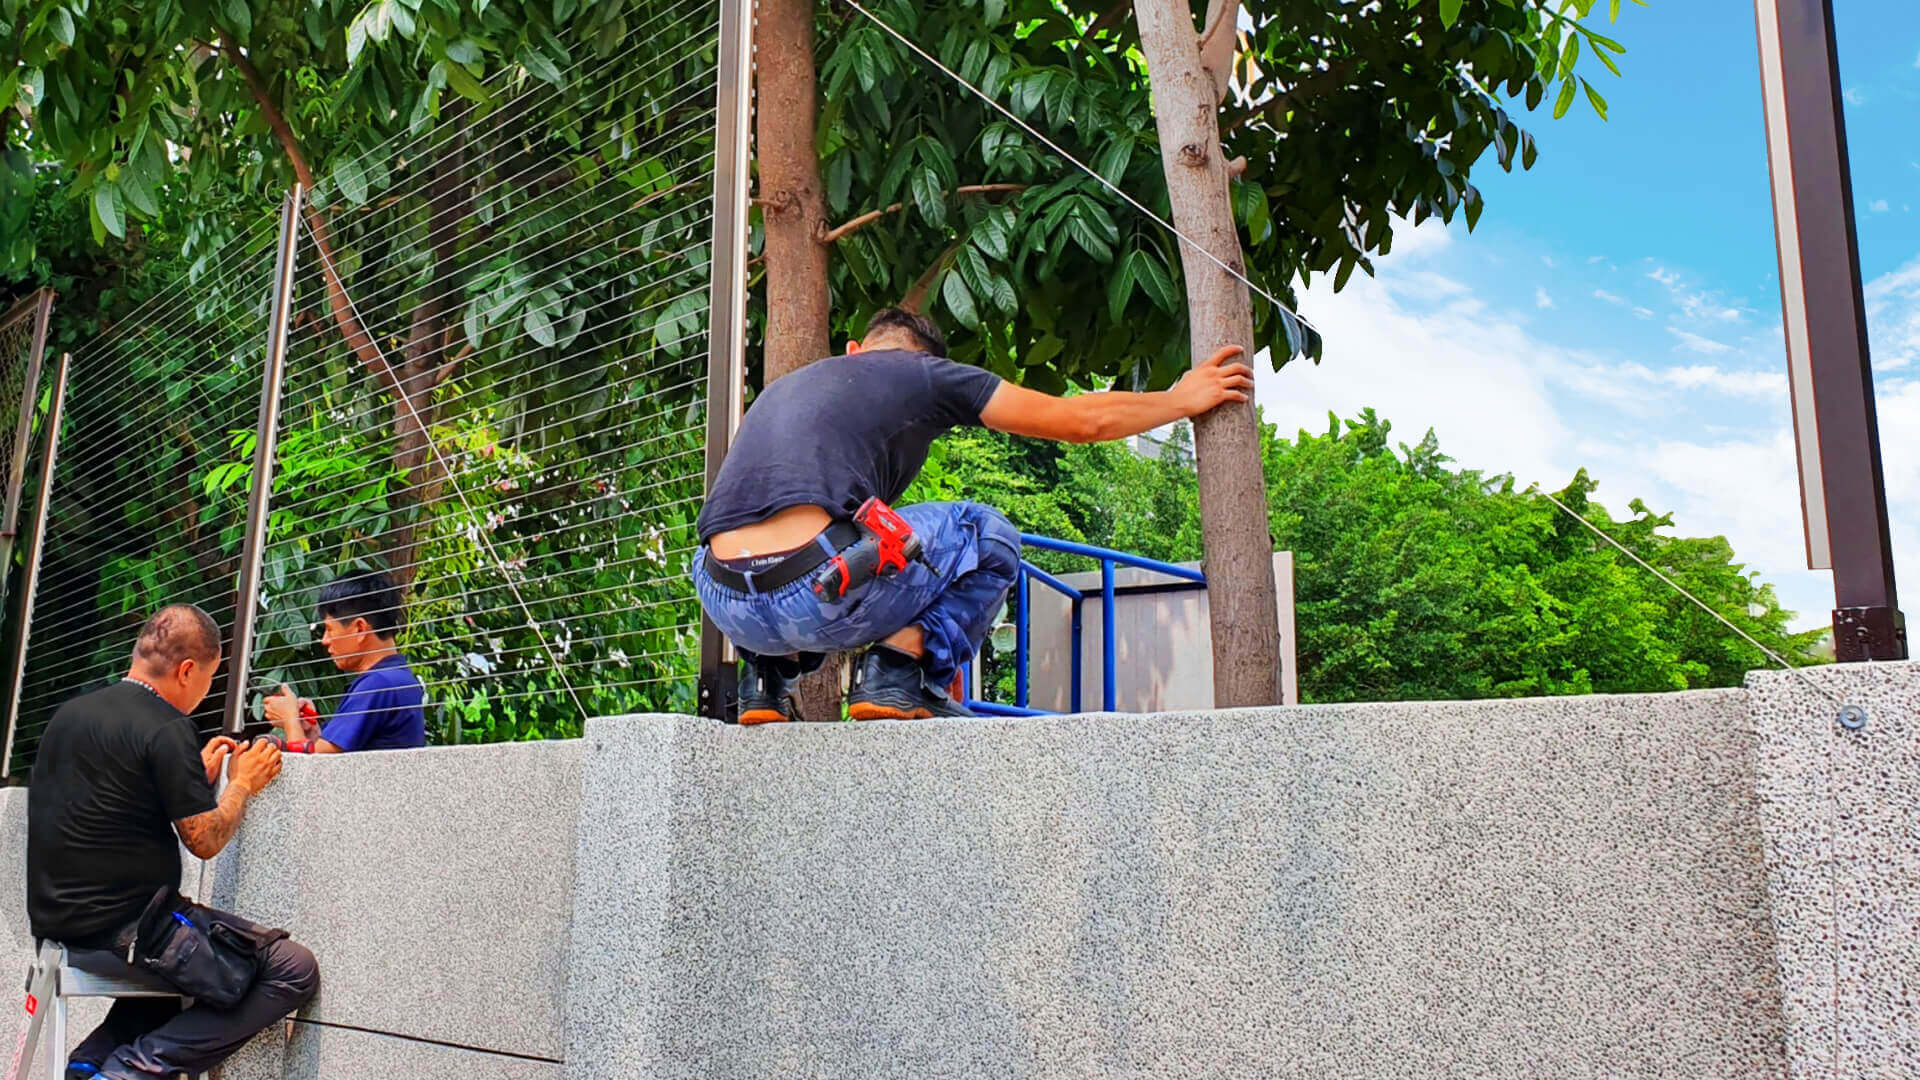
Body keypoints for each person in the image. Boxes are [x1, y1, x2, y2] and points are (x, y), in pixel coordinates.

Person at [692, 307, 1253, 722]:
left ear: (855, 349)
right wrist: (1181, 399)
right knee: (988, 534)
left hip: (722, 602)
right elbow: (1082, 421)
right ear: (922, 362)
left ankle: (764, 679)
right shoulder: (924, 375)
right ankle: (895, 668)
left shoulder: (788, 387)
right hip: (814, 588)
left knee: (824, 535)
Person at [26, 604, 319, 1080]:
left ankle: (88, 1064)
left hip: (58, 929)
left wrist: (186, 779)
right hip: (131, 932)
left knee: (193, 968)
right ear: (187, 671)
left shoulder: (70, 715)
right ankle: (133, 1071)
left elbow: (111, 802)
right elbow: (204, 841)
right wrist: (242, 784)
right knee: (292, 968)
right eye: (208, 680)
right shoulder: (167, 725)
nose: (205, 694)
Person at [263, 570, 426, 753]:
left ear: (359, 628)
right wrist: (313, 732)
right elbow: (331, 756)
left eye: (330, 629)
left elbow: (313, 771)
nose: (325, 640)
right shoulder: (396, 678)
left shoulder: (379, 684)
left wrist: (290, 719)